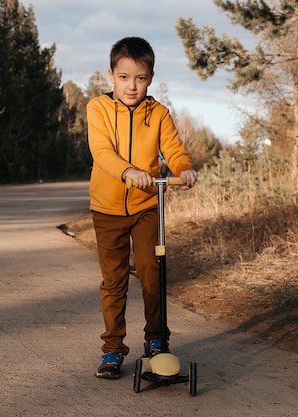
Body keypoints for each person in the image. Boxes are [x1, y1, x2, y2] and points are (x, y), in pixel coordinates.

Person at [86, 36, 198, 379]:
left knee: (153, 272)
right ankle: (113, 349)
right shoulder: (98, 108)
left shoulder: (159, 113)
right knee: (114, 280)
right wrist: (129, 172)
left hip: (148, 205)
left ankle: (156, 342)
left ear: (149, 77)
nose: (131, 86)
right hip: (107, 208)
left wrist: (184, 168)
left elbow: (174, 150)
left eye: (139, 77)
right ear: (111, 75)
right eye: (123, 77)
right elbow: (102, 152)